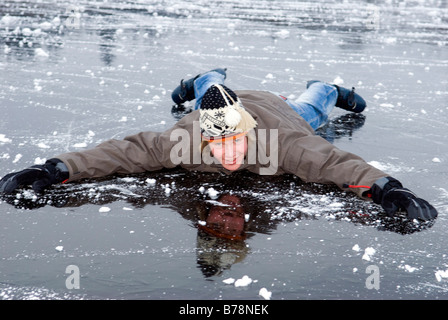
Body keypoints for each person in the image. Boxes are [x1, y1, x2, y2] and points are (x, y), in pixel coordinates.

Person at [0, 68, 438, 221]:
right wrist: (53, 169)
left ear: (248, 134)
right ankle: (205, 79)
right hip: (216, 104)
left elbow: (336, 163)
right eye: (218, 144)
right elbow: (123, 152)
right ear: (205, 138)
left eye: (237, 141)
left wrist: (387, 187)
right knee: (213, 85)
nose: (228, 153)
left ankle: (326, 85)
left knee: (313, 108)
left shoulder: (281, 143)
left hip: (277, 109)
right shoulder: (186, 140)